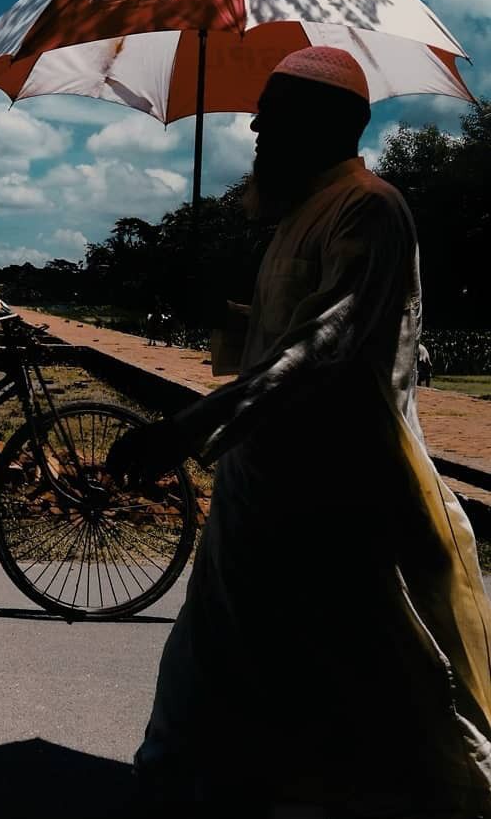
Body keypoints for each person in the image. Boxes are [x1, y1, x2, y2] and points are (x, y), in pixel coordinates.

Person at [109, 47, 491, 818]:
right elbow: (287, 340)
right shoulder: (296, 219)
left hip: (337, 506)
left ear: (325, 125)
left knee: (399, 696)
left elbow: (322, 348)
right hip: (259, 499)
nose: (253, 126)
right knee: (211, 671)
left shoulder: (371, 210)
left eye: (272, 114)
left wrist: (189, 425)